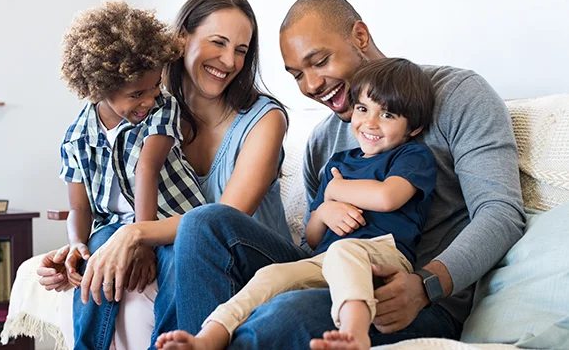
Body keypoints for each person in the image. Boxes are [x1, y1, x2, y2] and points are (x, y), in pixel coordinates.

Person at [171, 0, 526, 348]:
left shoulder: (458, 95)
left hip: (411, 295)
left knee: (283, 315)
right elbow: (315, 242)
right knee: (203, 223)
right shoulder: (323, 141)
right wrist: (325, 211)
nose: (311, 86)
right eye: (297, 75)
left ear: (359, 37)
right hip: (332, 271)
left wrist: (426, 285)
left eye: (320, 61)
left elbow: (500, 213)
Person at [37, 0, 293, 349]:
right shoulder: (149, 110)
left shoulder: (264, 120)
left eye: (241, 50)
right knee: (107, 245)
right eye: (218, 42)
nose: (230, 61)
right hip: (185, 247)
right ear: (181, 38)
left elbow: (224, 219)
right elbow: (109, 197)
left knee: (195, 231)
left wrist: (136, 234)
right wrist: (80, 250)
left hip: (253, 258)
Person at [156, 57, 437, 350]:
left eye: (388, 115)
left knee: (345, 250)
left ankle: (355, 334)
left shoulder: (411, 156)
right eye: (363, 109)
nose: (370, 123)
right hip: (325, 260)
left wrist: (336, 190)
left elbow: (387, 197)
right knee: (271, 275)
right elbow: (313, 238)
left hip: (384, 257)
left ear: (414, 127)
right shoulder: (338, 163)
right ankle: (209, 337)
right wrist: (325, 208)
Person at [56, 0, 208, 350]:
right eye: (136, 94)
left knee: (176, 263)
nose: (148, 99)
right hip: (113, 226)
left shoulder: (162, 107)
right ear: (99, 87)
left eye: (154, 86)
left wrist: (141, 240)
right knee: (97, 258)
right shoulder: (76, 138)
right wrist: (78, 243)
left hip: (174, 220)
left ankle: (169, 343)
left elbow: (147, 168)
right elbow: (79, 208)